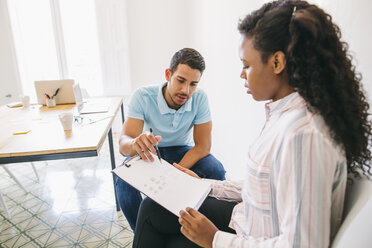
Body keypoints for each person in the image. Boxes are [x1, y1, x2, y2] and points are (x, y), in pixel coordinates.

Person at [132, 0, 372, 247]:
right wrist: (203, 184)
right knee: (154, 207)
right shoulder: (285, 114)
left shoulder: (304, 134)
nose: (241, 74)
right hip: (246, 219)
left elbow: (303, 244)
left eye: (247, 65)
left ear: (277, 63)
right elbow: (265, 187)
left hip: (253, 236)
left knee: (165, 230)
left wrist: (215, 239)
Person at [116, 48, 226, 232]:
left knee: (216, 170)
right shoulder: (142, 96)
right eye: (180, 81)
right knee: (123, 182)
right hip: (150, 152)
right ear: (168, 74)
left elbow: (203, 146)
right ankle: (143, 235)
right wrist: (135, 143)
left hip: (182, 149)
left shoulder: (200, 98)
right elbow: (123, 145)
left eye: (193, 84)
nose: (186, 90)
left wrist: (174, 173)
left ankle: (204, 231)